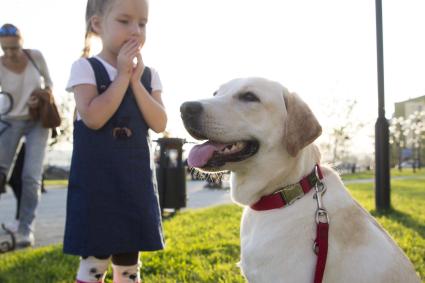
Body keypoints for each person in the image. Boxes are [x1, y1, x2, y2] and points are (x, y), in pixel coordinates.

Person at [63, 0, 167, 282]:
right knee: (95, 260)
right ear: (98, 24)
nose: (135, 30)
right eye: (124, 21)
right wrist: (122, 76)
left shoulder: (149, 76)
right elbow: (94, 117)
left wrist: (135, 81)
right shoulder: (85, 68)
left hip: (134, 183)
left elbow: (159, 123)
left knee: (129, 260)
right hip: (98, 185)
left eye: (142, 24)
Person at [0, 23, 53, 247]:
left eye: (14, 47)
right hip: (10, 121)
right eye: (5, 49)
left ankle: (25, 230)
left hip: (37, 121)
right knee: (0, 173)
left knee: (31, 177)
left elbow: (50, 83)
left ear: (22, 43)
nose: (10, 53)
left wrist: (41, 95)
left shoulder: (35, 57)